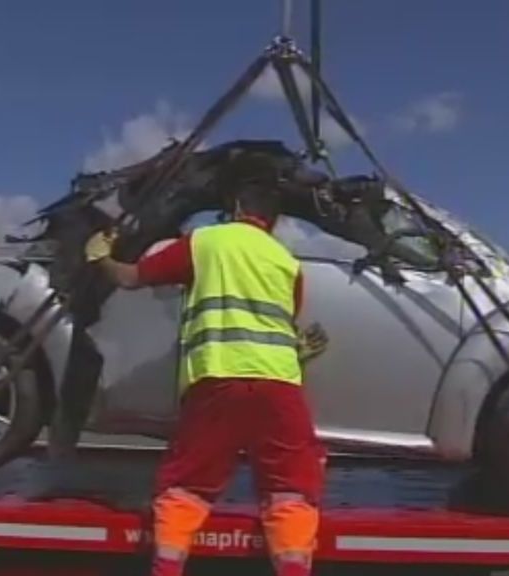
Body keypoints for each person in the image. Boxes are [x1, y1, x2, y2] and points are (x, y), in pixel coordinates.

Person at [83, 153, 328, 576]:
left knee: (189, 483)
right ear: (273, 221)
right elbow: (277, 327)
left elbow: (132, 278)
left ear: (234, 209)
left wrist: (100, 257)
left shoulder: (206, 241)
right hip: (279, 385)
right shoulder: (287, 263)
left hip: (218, 380)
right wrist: (298, 352)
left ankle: (167, 568)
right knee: (291, 488)